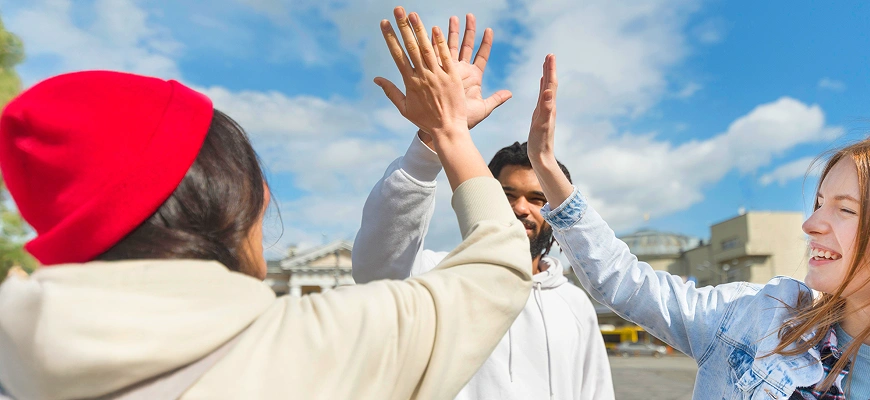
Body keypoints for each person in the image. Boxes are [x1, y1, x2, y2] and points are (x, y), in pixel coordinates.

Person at [0, 7, 533, 400]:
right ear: (231, 203)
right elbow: (499, 268)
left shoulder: (21, 363)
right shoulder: (314, 348)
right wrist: (449, 132)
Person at [523, 56, 870, 399]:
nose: (812, 224)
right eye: (817, 204)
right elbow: (625, 283)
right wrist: (547, 168)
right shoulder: (755, 321)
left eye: (844, 209)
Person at [354, 15, 614, 400]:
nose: (521, 209)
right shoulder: (437, 275)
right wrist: (435, 135)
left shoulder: (575, 302)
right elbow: (376, 270)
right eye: (506, 195)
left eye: (537, 199)